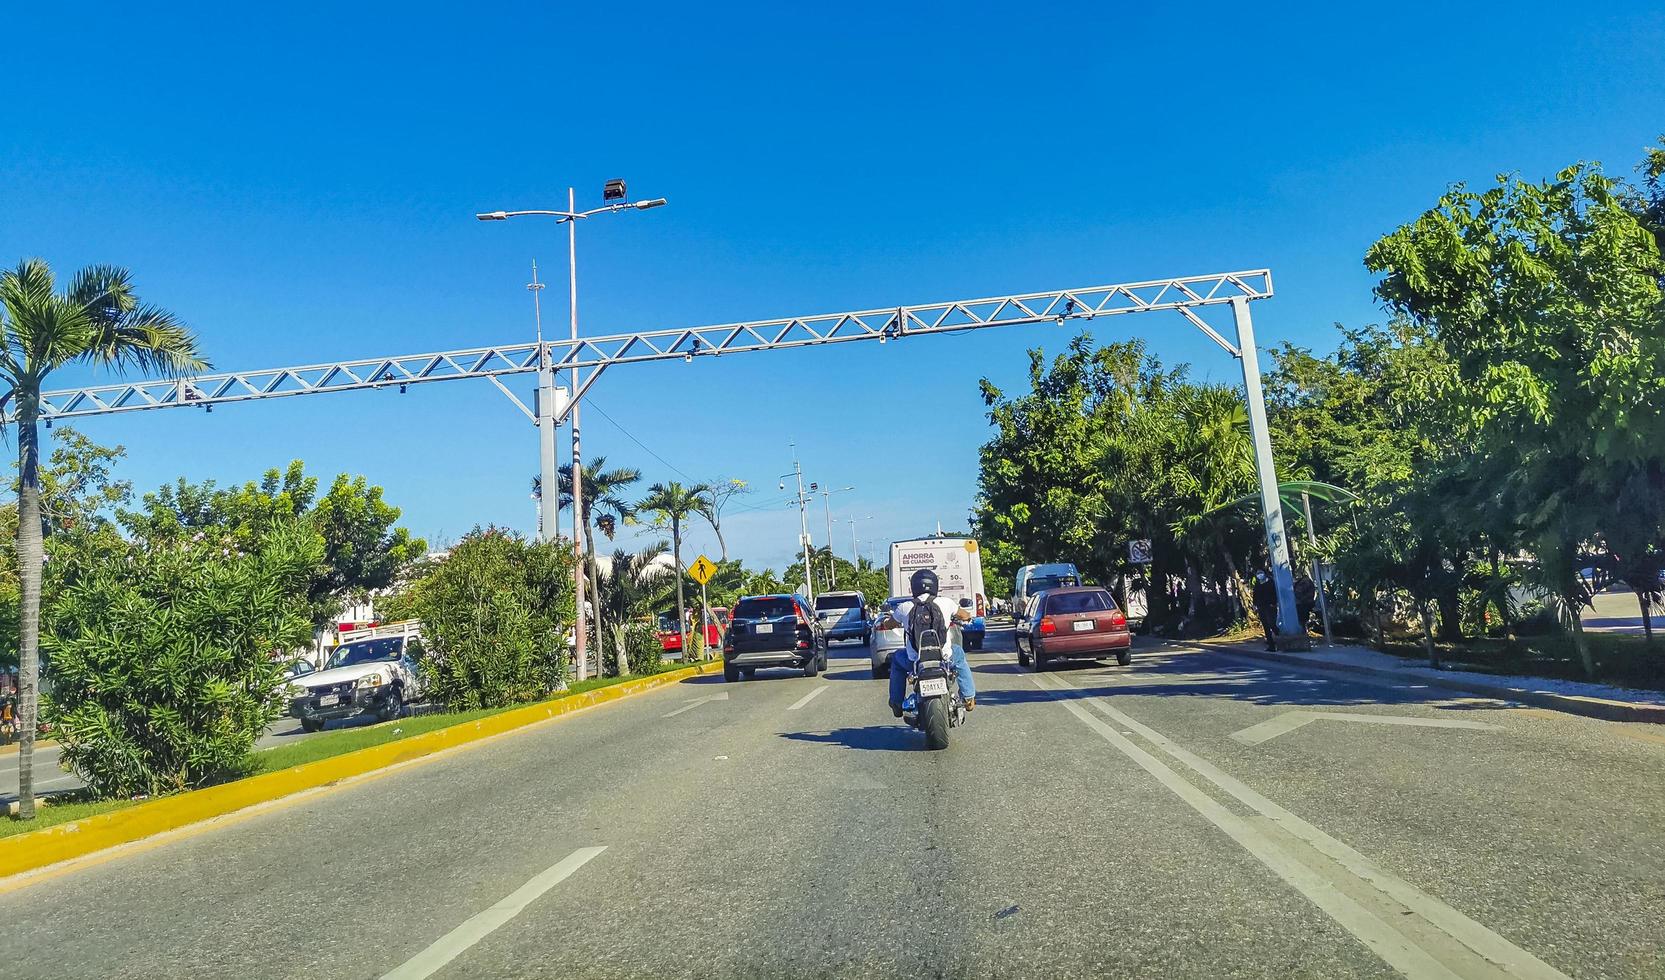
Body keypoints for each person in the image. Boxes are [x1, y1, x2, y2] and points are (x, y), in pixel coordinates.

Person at [889, 567, 976, 717]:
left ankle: (896, 703)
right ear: (935, 585)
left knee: (897, 659)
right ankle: (969, 698)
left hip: (915, 661)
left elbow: (889, 624)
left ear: (913, 587)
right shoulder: (946, 603)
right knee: (959, 654)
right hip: (945, 659)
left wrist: (888, 621)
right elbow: (964, 614)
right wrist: (967, 617)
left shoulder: (904, 607)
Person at [1251, 570, 1279, 652]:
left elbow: (1274, 593)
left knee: (1272, 624)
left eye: (1261, 573)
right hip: (1261, 606)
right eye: (1258, 573)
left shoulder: (1270, 582)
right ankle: (1271, 645)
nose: (1259, 575)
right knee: (1265, 626)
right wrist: (1254, 604)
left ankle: (1280, 637)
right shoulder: (1257, 584)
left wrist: (1273, 603)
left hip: (1270, 606)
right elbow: (1255, 595)